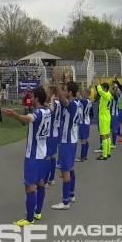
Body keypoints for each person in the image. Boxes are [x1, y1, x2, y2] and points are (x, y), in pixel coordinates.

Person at [3, 86, 51, 225]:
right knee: (40, 183)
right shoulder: (48, 110)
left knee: (30, 186)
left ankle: (29, 219)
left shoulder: (37, 113)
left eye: (33, 96)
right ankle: (38, 212)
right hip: (43, 153)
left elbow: (28, 118)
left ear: (36, 98)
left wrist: (15, 115)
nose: (31, 98)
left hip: (33, 155)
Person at [51, 81, 81, 210]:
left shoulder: (72, 104)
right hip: (72, 140)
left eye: (66, 90)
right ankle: (71, 194)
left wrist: (57, 83)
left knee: (65, 171)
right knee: (71, 168)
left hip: (67, 141)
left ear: (69, 92)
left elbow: (63, 100)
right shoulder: (78, 102)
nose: (64, 92)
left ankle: (65, 201)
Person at [45, 87, 61, 187]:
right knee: (53, 156)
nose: (47, 93)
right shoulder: (59, 103)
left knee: (47, 157)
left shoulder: (53, 104)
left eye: (48, 91)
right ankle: (52, 179)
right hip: (55, 132)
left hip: (50, 133)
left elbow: (51, 110)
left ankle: (46, 180)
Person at [96, 80, 113, 161]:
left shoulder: (105, 94)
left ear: (105, 88)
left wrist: (98, 84)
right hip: (108, 116)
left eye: (103, 88)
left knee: (103, 136)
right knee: (107, 135)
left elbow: (99, 91)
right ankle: (108, 152)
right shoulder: (109, 94)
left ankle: (104, 155)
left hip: (103, 117)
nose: (101, 89)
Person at [77, 87, 93, 162]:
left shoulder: (85, 101)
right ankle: (85, 155)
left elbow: (78, 97)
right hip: (86, 121)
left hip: (83, 122)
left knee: (83, 140)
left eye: (83, 92)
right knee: (85, 139)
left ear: (86, 93)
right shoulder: (88, 101)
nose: (82, 93)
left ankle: (82, 156)